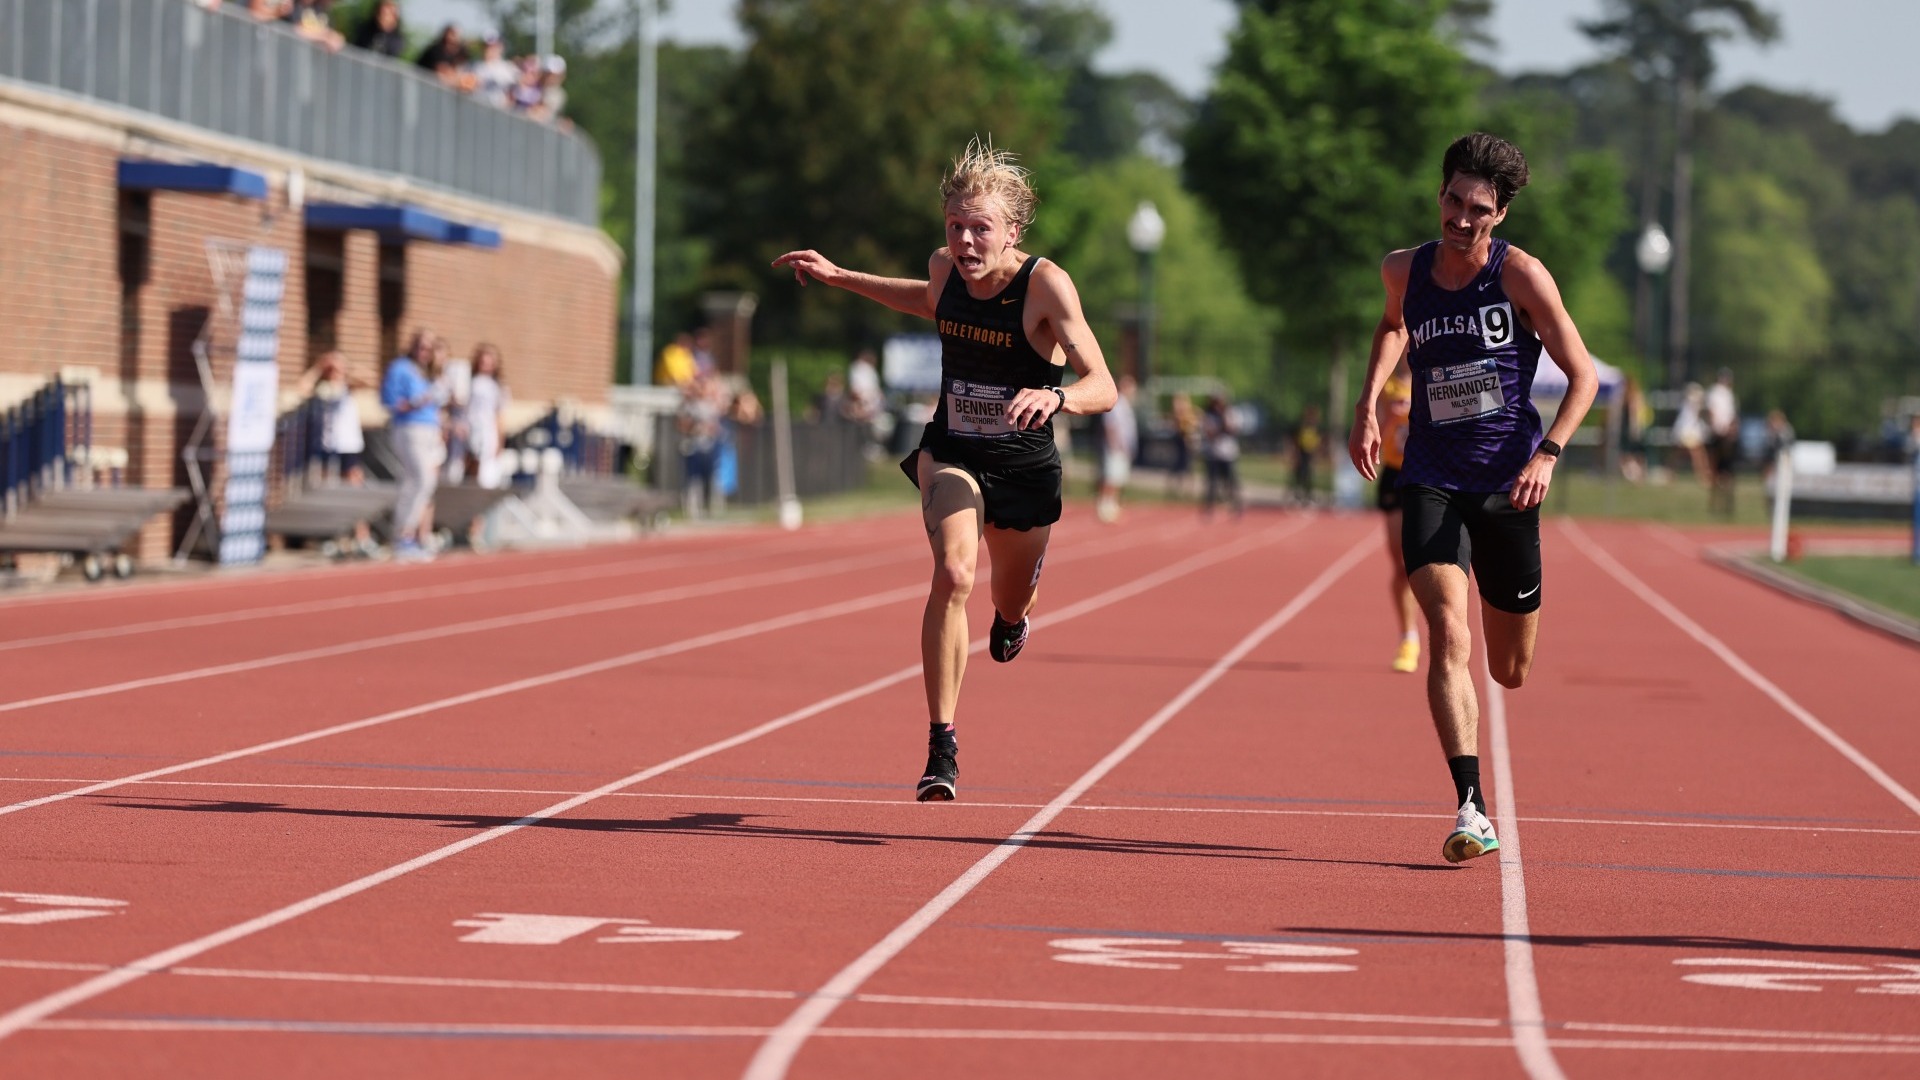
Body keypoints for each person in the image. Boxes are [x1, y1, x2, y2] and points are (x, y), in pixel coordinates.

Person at [772, 139, 1117, 802]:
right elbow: (928, 299)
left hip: (1023, 465)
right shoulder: (945, 270)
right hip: (953, 449)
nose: (964, 240)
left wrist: (1059, 395)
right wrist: (843, 276)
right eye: (955, 227)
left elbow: (1104, 381)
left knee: (1009, 599)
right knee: (955, 572)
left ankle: (1013, 618)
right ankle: (942, 745)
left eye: (979, 228)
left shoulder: (1045, 284)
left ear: (1011, 232)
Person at [1349, 132, 1598, 864]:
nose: (1461, 219)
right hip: (1429, 475)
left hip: (1508, 487)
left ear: (1502, 213)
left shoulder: (1521, 277)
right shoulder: (1405, 269)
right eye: (1454, 202)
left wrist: (1548, 453)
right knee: (1448, 635)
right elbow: (1392, 326)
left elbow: (1580, 374)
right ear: (1440, 195)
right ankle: (1471, 804)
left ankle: (1477, 781)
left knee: (1508, 669)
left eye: (1479, 210)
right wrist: (1367, 405)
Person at [381, 331, 446, 562]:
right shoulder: (400, 368)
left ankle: (407, 536)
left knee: (421, 483)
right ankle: (403, 535)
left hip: (430, 431)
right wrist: (417, 402)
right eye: (421, 347)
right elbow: (389, 401)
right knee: (422, 480)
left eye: (429, 349)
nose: (424, 353)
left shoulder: (427, 373)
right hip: (410, 429)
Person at [1375, 358, 1421, 674]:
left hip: (1426, 472)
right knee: (1402, 566)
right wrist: (1391, 417)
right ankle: (1408, 636)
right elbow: (1374, 429)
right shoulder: (1387, 385)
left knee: (1429, 561)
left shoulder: (1432, 374)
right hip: (1394, 473)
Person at [466, 344, 510, 489]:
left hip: (487, 433)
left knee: (486, 474)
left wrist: (500, 441)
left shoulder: (497, 387)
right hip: (469, 430)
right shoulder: (470, 382)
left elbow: (499, 416)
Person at [1097, 374, 1139, 524]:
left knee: (1118, 478)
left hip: (1123, 448)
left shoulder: (1126, 404)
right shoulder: (1117, 402)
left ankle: (1112, 506)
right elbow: (1110, 425)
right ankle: (1105, 506)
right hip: (1115, 447)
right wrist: (1114, 444)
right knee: (1111, 477)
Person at [1200, 392, 1243, 518]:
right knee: (1211, 483)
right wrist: (1219, 428)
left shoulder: (1231, 413)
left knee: (1231, 481)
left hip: (1228, 453)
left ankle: (1236, 505)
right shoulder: (1208, 416)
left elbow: (1233, 430)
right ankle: (1209, 507)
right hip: (1213, 453)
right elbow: (1209, 433)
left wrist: (1223, 419)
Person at [1706, 366, 1739, 516]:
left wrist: (1731, 430)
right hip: (1718, 434)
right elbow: (1712, 413)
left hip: (1726, 435)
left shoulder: (1729, 395)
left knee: (1727, 470)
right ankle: (1715, 502)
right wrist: (1718, 429)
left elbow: (1732, 416)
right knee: (1716, 468)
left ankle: (1726, 504)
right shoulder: (1714, 393)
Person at [1671, 381, 1709, 482]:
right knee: (1695, 453)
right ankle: (1701, 475)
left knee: (1696, 453)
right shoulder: (1688, 405)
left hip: (1688, 431)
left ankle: (1702, 474)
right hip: (1685, 431)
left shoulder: (1691, 405)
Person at [1290, 403, 1324, 505]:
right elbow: (1296, 440)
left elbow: (1319, 441)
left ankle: (1308, 496)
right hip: (1302, 452)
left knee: (1309, 475)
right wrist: (1295, 453)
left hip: (1310, 453)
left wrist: (1317, 453)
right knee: (1299, 474)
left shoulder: (1316, 428)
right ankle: (1298, 495)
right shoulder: (1301, 426)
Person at [1166, 393, 1198, 498]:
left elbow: (1192, 427)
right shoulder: (1177, 416)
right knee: (1177, 467)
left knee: (1188, 467)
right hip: (1179, 443)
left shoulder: (1189, 415)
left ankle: (1188, 489)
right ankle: (1177, 489)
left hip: (1186, 443)